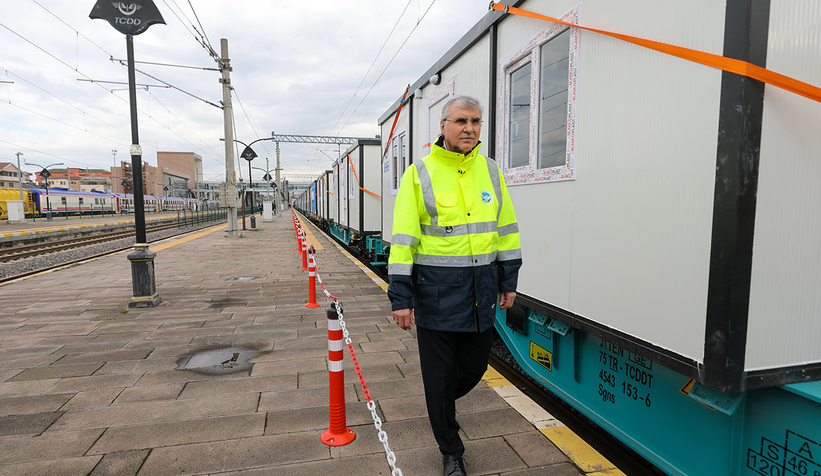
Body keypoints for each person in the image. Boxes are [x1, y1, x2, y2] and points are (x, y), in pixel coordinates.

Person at [387, 95, 522, 476]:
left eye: (476, 121)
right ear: (443, 126)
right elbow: (404, 241)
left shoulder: (490, 171)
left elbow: (506, 230)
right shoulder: (419, 173)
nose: (469, 128)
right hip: (436, 295)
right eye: (461, 121)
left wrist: (508, 280)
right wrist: (401, 298)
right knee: (440, 376)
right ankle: (451, 452)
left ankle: (439, 400)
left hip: (481, 292)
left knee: (474, 367)